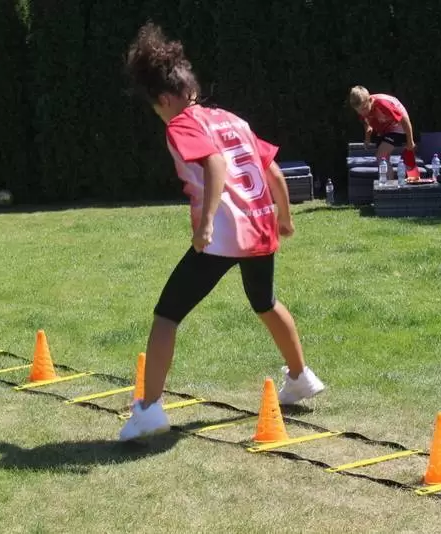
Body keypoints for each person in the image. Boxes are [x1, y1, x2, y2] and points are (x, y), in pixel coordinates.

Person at [119, 22, 325, 441]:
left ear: (164, 100)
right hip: (260, 226)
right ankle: (301, 377)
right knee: (265, 302)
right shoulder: (231, 119)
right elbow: (271, 170)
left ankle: (149, 409)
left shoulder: (182, 124)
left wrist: (207, 222)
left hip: (224, 235)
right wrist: (284, 217)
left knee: (166, 315)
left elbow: (214, 163)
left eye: (157, 109)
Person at [349, 85, 415, 180]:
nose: (363, 113)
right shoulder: (363, 107)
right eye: (359, 111)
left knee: (381, 155)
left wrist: (410, 141)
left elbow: (404, 119)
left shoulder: (383, 104)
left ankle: (389, 183)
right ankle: (389, 183)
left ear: (370, 100)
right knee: (384, 158)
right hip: (386, 128)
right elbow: (366, 122)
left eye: (364, 108)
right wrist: (367, 138)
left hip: (399, 127)